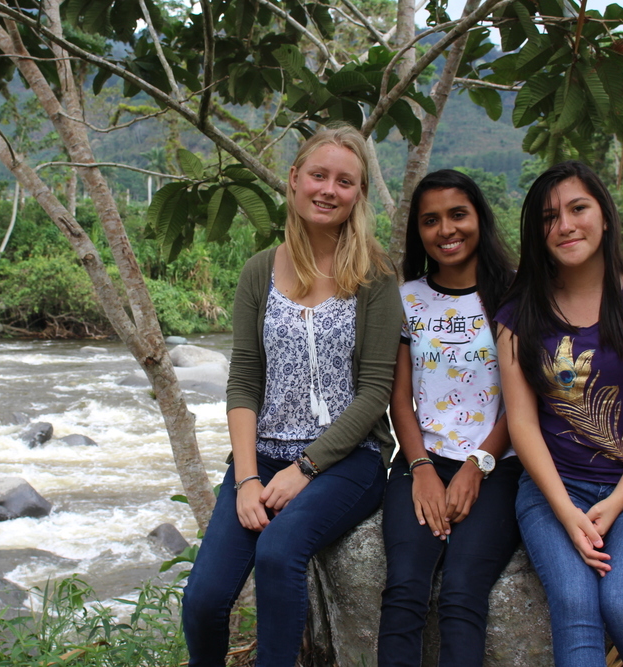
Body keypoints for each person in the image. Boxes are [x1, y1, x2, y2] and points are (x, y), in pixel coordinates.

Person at [181, 124, 402, 667]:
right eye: (319, 175)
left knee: (280, 553)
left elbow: (375, 392)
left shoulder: (375, 275)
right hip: (264, 455)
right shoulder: (260, 270)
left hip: (349, 461)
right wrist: (249, 477)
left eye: (345, 181)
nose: (329, 189)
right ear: (294, 180)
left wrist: (305, 467)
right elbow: (245, 380)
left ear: (359, 195)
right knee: (204, 599)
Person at [494, 161, 623, 667]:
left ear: (604, 216)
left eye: (578, 208)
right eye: (548, 217)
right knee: (576, 605)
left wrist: (617, 501)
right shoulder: (519, 313)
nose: (565, 225)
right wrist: (567, 511)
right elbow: (523, 422)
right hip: (554, 490)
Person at [377, 170, 522, 666]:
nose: (446, 230)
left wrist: (476, 466)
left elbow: (521, 402)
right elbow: (400, 399)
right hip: (423, 459)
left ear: (479, 216)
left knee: (462, 594)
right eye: (430, 220)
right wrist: (420, 470)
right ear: (419, 231)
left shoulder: (515, 297)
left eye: (457, 214)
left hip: (498, 465)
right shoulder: (408, 298)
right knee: (404, 590)